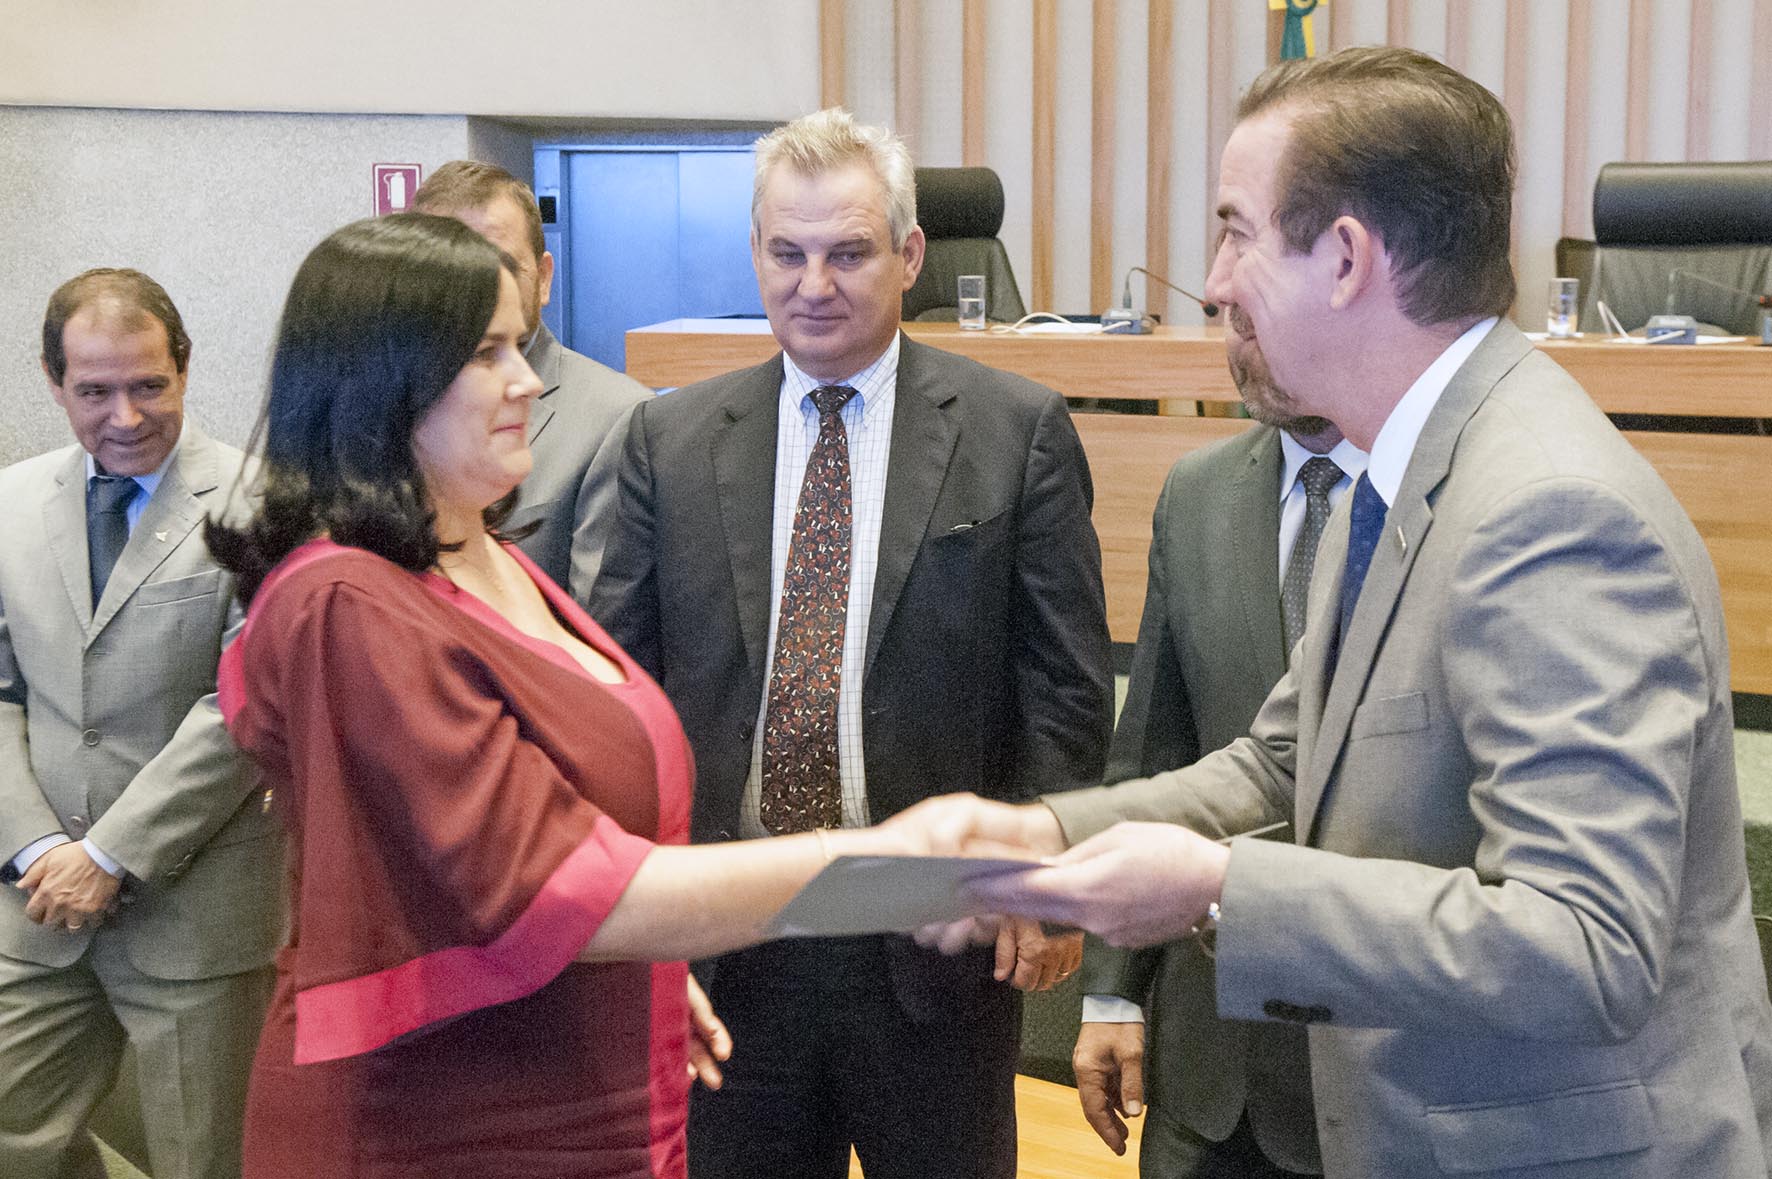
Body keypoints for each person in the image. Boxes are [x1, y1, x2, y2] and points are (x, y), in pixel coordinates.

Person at [910, 46, 1772, 1177]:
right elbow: (1283, 760)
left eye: (1236, 233)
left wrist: (1218, 889)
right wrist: (1041, 835)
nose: (1214, 283)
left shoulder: (1546, 510)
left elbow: (1585, 944)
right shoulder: (1404, 473)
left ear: (1348, 259)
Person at [204, 212, 936, 1179]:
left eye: (521, 344)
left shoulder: (484, 557)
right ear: (381, 382)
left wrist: (647, 977)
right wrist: (894, 864)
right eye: (486, 353)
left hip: (577, 1083)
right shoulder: (350, 601)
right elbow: (560, 887)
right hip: (435, 1126)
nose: (528, 380)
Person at [586, 108, 1113, 1179]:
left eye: (847, 253)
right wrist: (636, 918)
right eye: (787, 253)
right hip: (730, 943)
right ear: (754, 252)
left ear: (909, 255)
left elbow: (1062, 686)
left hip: (935, 944)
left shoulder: (1014, 431)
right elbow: (618, 695)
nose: (813, 284)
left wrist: (1045, 877)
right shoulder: (668, 441)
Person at [0, 269, 281, 1179]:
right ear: (54, 382)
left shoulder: (265, 504)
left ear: (184, 369)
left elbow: (247, 701)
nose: (124, 415)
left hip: (195, 916)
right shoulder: (9, 504)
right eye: (94, 391)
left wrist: (109, 853)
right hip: (36, 906)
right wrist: (40, 846)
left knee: (206, 1161)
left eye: (148, 385)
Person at [1077, 343, 1364, 1176]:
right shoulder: (1196, 492)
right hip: (1211, 1070)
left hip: (1376, 1067)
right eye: (1229, 316)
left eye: (1260, 301)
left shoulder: (1442, 501)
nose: (1246, 333)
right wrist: (1111, 991)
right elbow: (1153, 749)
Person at [411, 159, 649, 595]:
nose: (476, 287)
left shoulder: (619, 415)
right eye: (448, 270)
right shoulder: (396, 403)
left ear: (542, 278)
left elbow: (596, 617)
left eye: (498, 263)